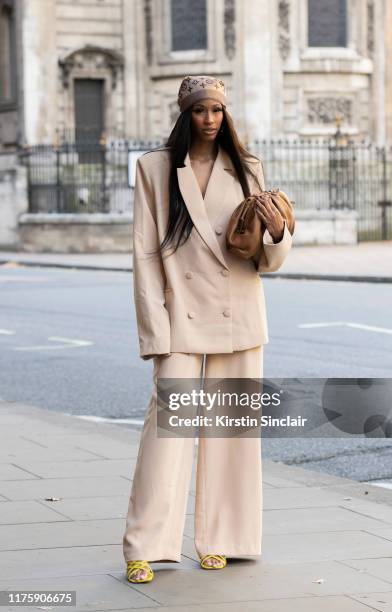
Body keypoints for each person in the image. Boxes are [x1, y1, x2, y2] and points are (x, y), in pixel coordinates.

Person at [122, 75, 293, 583]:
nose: (210, 119)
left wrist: (279, 232)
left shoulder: (249, 168)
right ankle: (145, 544)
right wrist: (155, 331)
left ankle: (224, 538)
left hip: (237, 308)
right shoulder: (154, 168)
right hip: (180, 314)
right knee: (166, 433)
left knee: (231, 431)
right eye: (201, 110)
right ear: (185, 114)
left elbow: (265, 255)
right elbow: (145, 253)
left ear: (226, 113)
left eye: (218, 110)